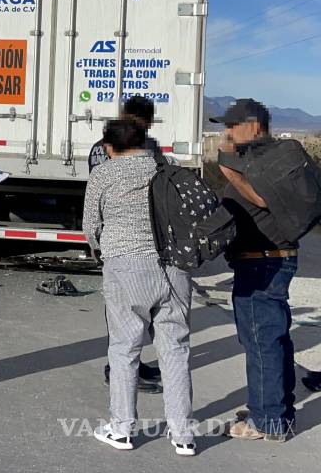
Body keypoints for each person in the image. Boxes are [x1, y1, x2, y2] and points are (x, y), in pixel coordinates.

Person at [83, 119, 196, 456]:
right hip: (174, 269)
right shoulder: (167, 169)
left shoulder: (104, 174)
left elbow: (91, 227)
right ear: (145, 143)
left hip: (126, 269)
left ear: (108, 147)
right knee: (175, 349)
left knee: (124, 348)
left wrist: (100, 246)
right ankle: (184, 436)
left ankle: (121, 430)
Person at [212, 99, 297, 442]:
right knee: (271, 338)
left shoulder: (266, 158)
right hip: (262, 258)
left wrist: (230, 173)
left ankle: (268, 421)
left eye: (233, 126)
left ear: (255, 126)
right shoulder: (260, 157)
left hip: (264, 260)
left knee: (262, 341)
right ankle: (274, 409)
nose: (227, 133)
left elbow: (264, 200)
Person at [89, 96, 165, 394]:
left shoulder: (148, 145)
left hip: (143, 241)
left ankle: (133, 363)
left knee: (140, 311)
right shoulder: (106, 147)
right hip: (121, 240)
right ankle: (117, 368)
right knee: (122, 315)